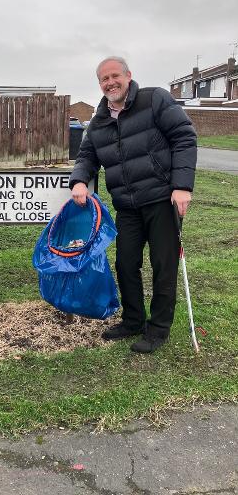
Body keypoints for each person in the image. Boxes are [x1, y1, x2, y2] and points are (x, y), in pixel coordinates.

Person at [70, 57, 197, 353]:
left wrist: (181, 186)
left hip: (162, 200)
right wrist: (78, 181)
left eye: (115, 76)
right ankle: (133, 320)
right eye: (104, 79)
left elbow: (184, 138)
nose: (110, 82)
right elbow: (87, 156)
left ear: (128, 76)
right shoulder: (98, 120)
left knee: (163, 265)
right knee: (126, 263)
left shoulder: (155, 100)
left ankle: (158, 328)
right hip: (127, 205)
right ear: (99, 84)